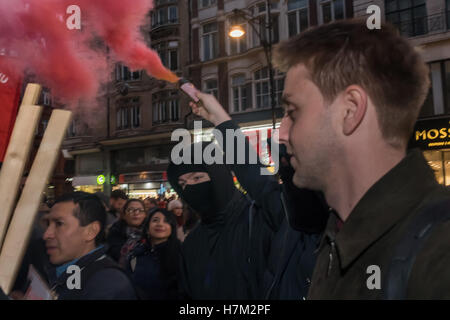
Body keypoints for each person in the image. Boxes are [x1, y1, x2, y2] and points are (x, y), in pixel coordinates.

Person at [273, 19, 450, 299]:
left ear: (350, 110)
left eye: (293, 112)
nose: (282, 134)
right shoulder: (335, 238)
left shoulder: (438, 256)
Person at [168, 142, 283, 299]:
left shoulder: (262, 222)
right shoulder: (192, 243)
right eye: (183, 184)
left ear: (219, 175)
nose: (190, 188)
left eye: (197, 177)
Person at [42, 192, 137, 299]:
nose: (47, 234)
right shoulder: (71, 269)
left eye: (59, 224)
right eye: (47, 224)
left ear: (91, 231)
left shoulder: (107, 284)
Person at [126, 208, 180, 299]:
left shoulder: (180, 255)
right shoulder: (136, 254)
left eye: (166, 221)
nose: (160, 224)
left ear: (172, 228)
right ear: (147, 228)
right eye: (155, 220)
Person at [106, 199, 147, 265]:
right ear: (124, 215)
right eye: (131, 210)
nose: (136, 213)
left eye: (140, 210)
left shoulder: (151, 233)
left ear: (145, 215)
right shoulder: (115, 232)